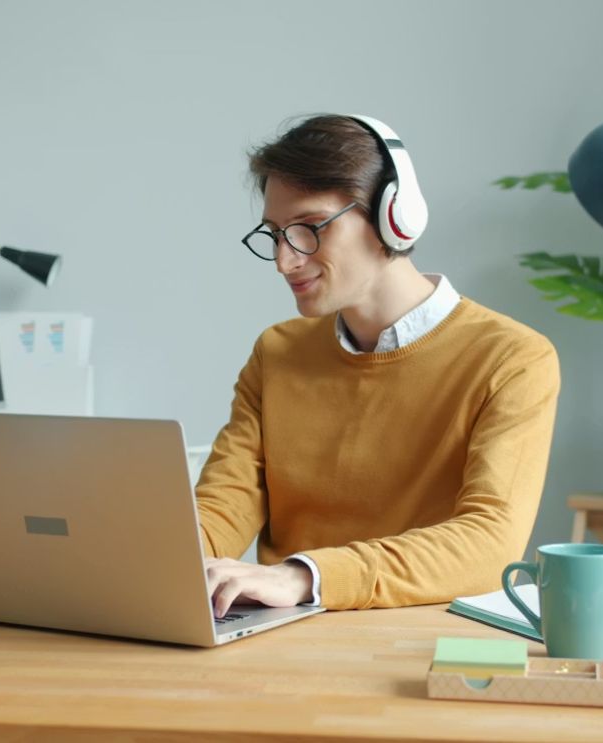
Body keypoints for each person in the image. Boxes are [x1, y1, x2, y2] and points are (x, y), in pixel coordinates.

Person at [197, 114, 561, 617]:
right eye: (276, 233)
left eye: (307, 228)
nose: (285, 260)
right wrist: (168, 553)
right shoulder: (276, 352)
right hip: (283, 637)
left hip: (420, 642)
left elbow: (490, 542)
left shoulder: (512, 358)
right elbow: (225, 504)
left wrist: (304, 576)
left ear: (394, 216)